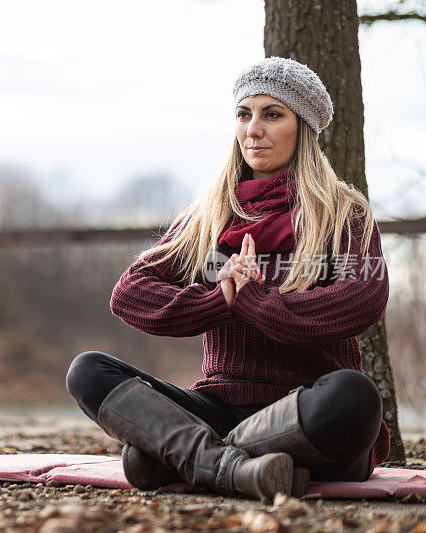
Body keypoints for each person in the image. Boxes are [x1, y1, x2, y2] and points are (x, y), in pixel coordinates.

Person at [65, 56, 390, 500]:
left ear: (304, 129)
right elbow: (130, 293)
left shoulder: (342, 213)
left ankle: (188, 455)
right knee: (88, 370)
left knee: (355, 395)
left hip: (309, 410)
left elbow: (363, 297)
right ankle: (237, 468)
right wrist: (219, 299)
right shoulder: (208, 217)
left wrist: (256, 299)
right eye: (243, 114)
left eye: (272, 115)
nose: (252, 129)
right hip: (219, 408)